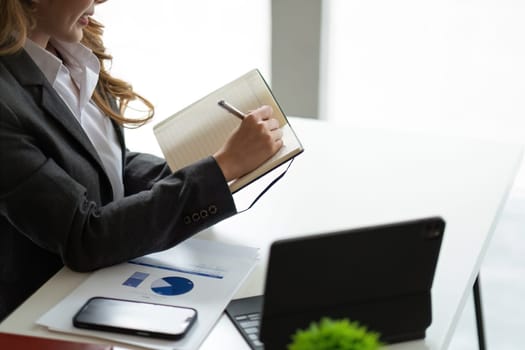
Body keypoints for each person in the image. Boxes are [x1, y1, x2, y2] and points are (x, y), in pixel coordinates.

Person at [0, 0, 283, 321]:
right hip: (41, 316)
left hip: (101, 291)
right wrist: (221, 168)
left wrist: (209, 163)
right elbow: (83, 237)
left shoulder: (73, 54)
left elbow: (109, 167)